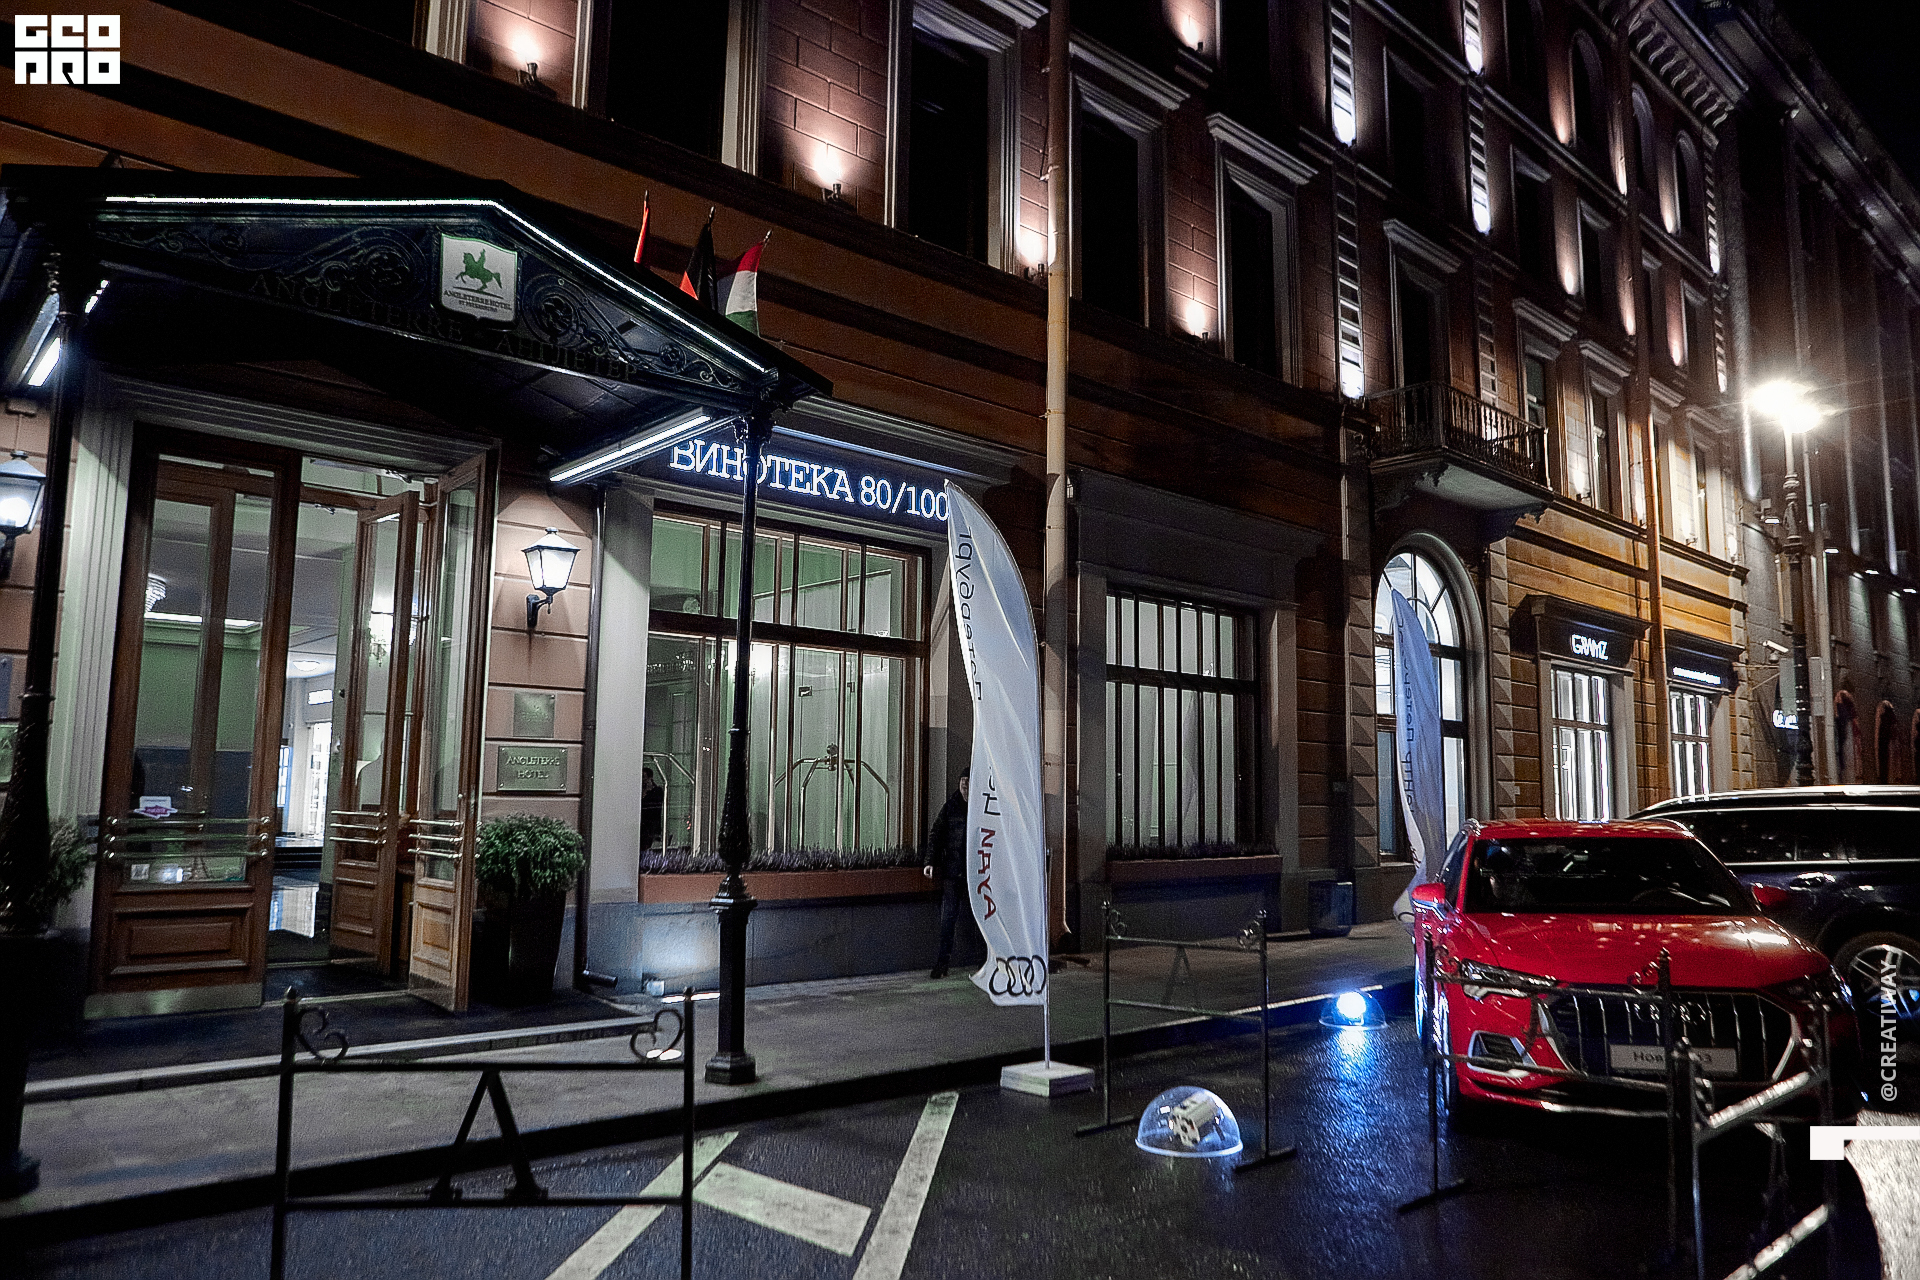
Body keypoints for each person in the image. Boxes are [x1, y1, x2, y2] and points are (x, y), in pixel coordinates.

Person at [922, 768, 971, 979]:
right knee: (948, 919)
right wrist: (930, 861)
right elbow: (937, 835)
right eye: (963, 780)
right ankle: (942, 964)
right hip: (954, 872)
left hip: (973, 873)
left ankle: (985, 960)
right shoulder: (951, 807)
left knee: (978, 920)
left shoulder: (979, 806)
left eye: (968, 781)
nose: (965, 785)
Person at [639, 768, 665, 852]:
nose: (642, 780)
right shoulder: (639, 790)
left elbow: (653, 806)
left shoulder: (657, 791)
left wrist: (647, 790)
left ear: (650, 778)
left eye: (644, 777)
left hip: (650, 825)